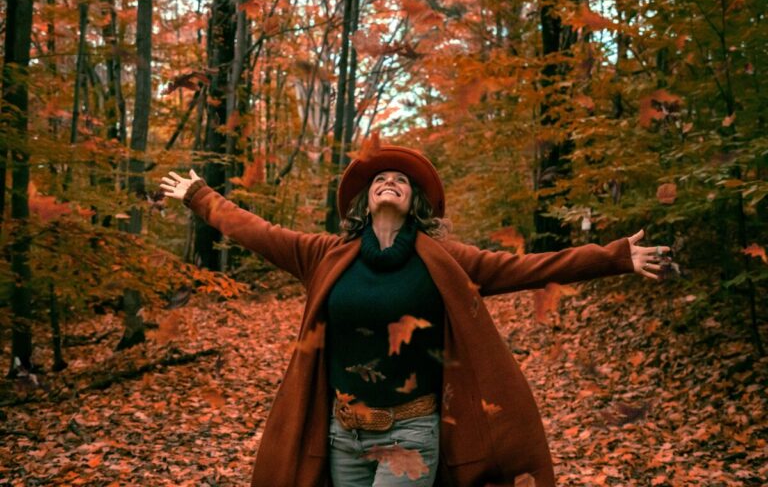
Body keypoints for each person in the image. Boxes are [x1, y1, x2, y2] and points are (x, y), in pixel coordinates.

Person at [160, 146, 670, 487]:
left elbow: (530, 267)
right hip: (343, 433)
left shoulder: (445, 258)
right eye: (380, 179)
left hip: (412, 433)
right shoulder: (324, 253)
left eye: (400, 180)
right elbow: (257, 230)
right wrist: (201, 197)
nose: (389, 182)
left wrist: (616, 256)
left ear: (414, 200)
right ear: (366, 198)